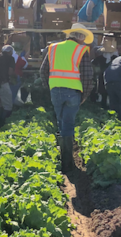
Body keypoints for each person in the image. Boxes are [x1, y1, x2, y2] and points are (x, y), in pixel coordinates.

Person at [40, 24, 94, 172]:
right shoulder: (81, 50)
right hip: (74, 93)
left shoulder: (53, 48)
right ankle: (68, 164)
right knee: (68, 125)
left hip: (56, 91)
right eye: (83, 37)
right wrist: (85, 95)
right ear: (80, 36)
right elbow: (88, 76)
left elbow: (42, 71)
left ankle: (64, 160)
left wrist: (49, 87)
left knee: (61, 123)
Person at [91, 37, 118, 105]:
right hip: (103, 76)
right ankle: (102, 102)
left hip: (110, 77)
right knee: (101, 88)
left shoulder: (114, 57)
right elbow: (93, 63)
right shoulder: (100, 57)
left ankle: (107, 102)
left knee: (108, 89)